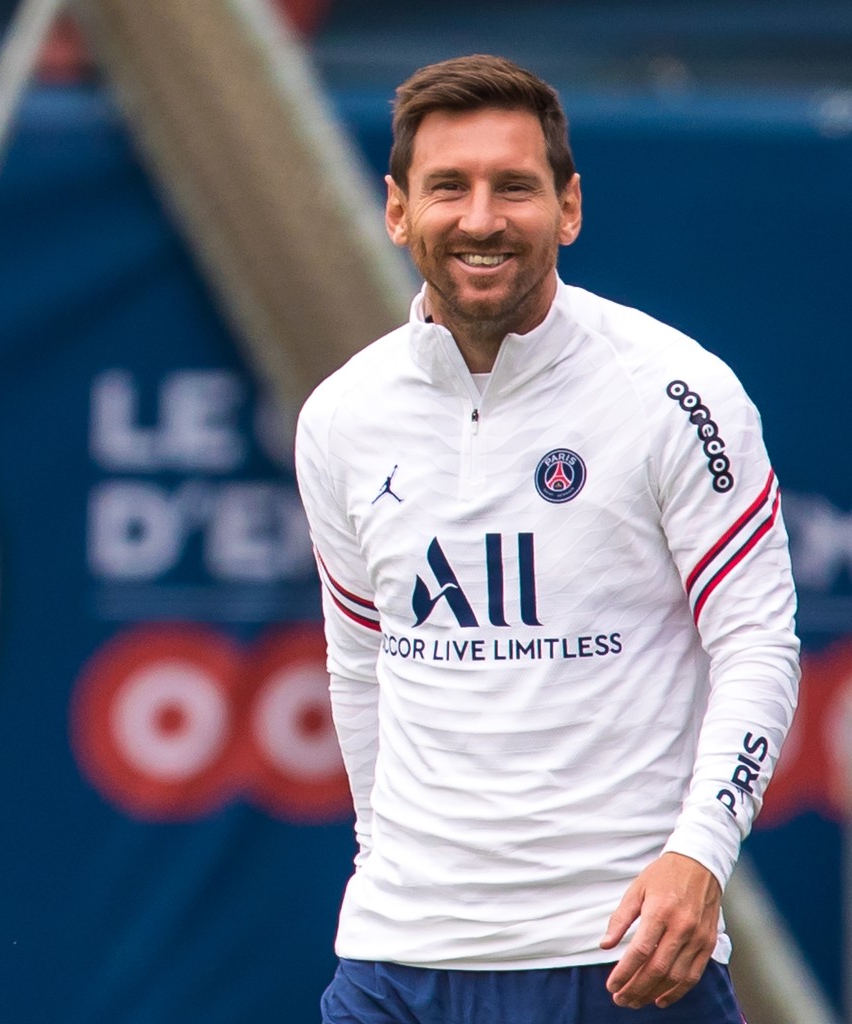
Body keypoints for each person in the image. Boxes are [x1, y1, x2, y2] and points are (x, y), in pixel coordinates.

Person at [294, 54, 799, 1023]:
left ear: (568, 208)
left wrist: (701, 852)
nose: (480, 219)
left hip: (620, 962)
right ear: (397, 211)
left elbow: (756, 641)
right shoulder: (340, 418)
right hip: (399, 962)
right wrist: (391, 867)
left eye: (513, 187)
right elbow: (360, 663)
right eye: (449, 186)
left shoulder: (677, 392)